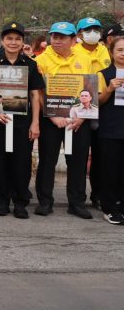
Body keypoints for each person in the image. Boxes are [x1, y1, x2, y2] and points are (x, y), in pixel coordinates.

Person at [35, 21, 100, 219]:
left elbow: (90, 89)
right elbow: (38, 92)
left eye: (62, 37)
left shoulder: (84, 58)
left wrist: (81, 116)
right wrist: (53, 116)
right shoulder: (41, 60)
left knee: (78, 161)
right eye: (54, 36)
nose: (57, 41)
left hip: (79, 119)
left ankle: (77, 203)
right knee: (47, 160)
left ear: (73, 40)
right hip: (50, 120)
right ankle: (45, 201)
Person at [0, 22, 43, 218]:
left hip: (23, 121)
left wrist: (35, 122)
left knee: (22, 161)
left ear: (23, 42)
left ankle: (20, 202)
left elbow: (35, 95)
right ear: (3, 40)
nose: (13, 42)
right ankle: (3, 200)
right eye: (9, 38)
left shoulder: (30, 64)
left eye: (17, 39)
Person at [74, 17, 111, 208]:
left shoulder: (105, 50)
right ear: (79, 33)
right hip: (82, 107)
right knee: (80, 154)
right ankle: (78, 196)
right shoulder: (73, 51)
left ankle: (97, 194)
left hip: (105, 105)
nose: (93, 33)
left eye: (96, 29)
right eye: (88, 30)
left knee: (101, 154)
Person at [96, 35, 124, 223]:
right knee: (109, 170)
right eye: (120, 50)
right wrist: (109, 88)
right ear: (112, 53)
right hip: (110, 129)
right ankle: (110, 208)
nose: (123, 53)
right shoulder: (103, 74)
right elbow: (95, 102)